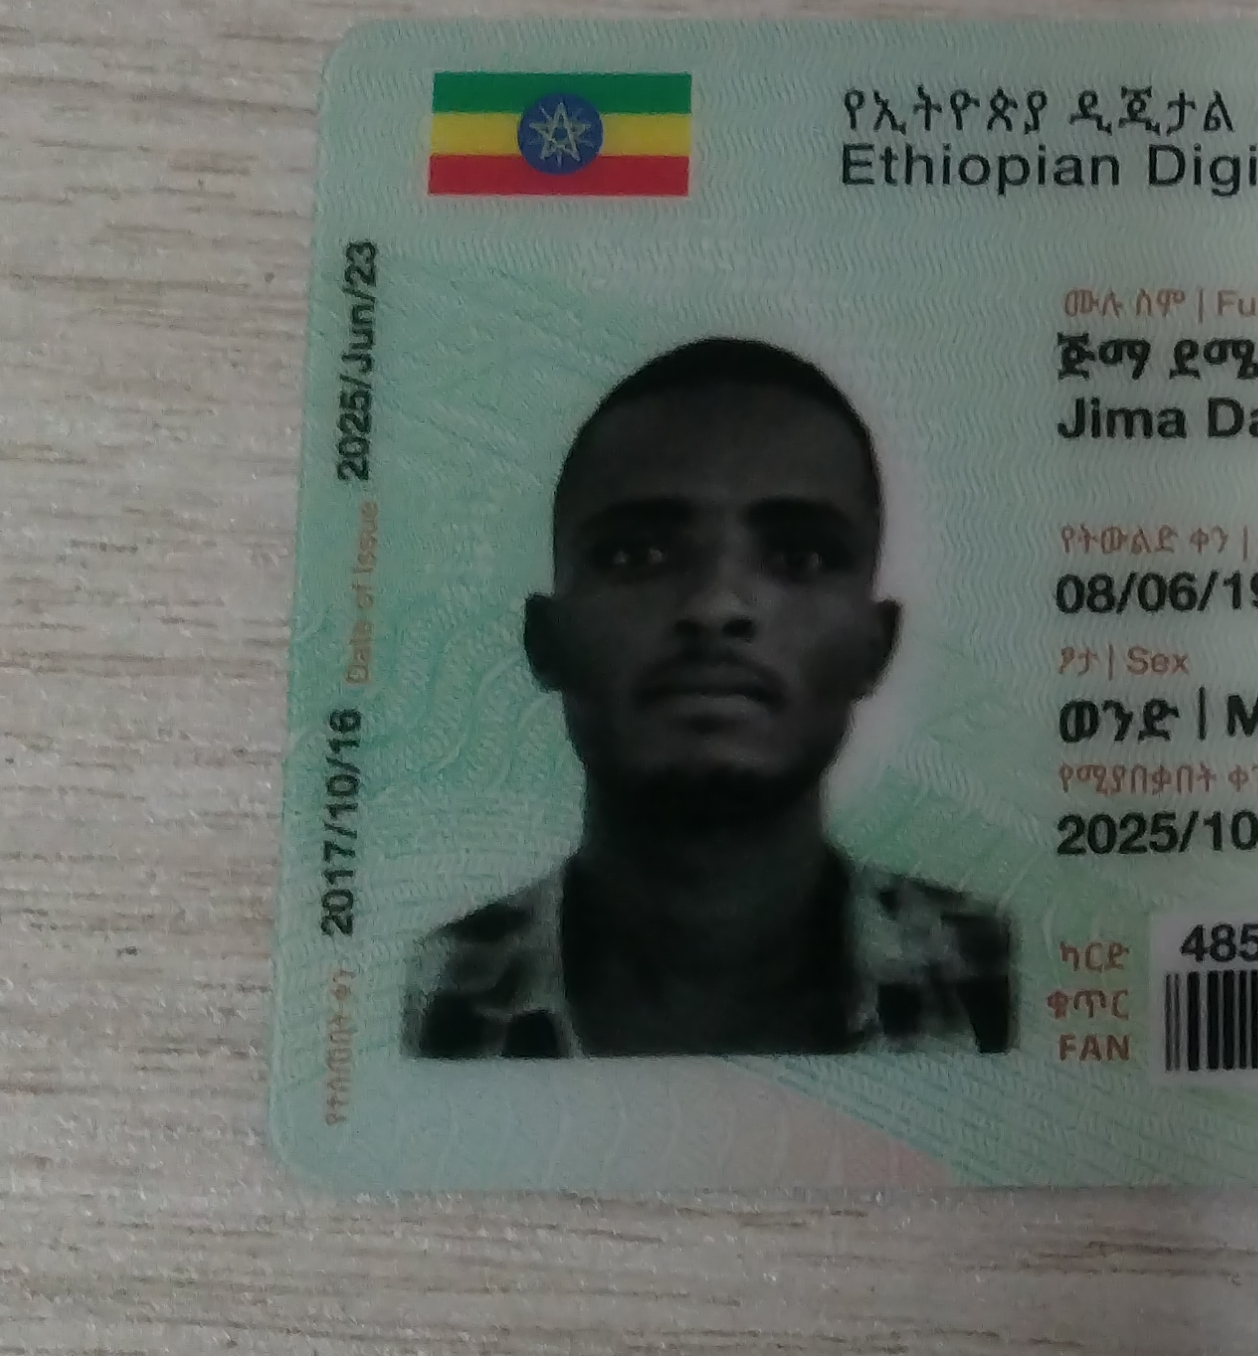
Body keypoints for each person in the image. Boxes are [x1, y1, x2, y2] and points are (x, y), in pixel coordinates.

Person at [406, 337, 1012, 1059]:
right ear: (546, 640)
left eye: (801, 556)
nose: (716, 605)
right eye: (636, 554)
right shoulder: (417, 1001)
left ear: (875, 647)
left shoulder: (1005, 984)